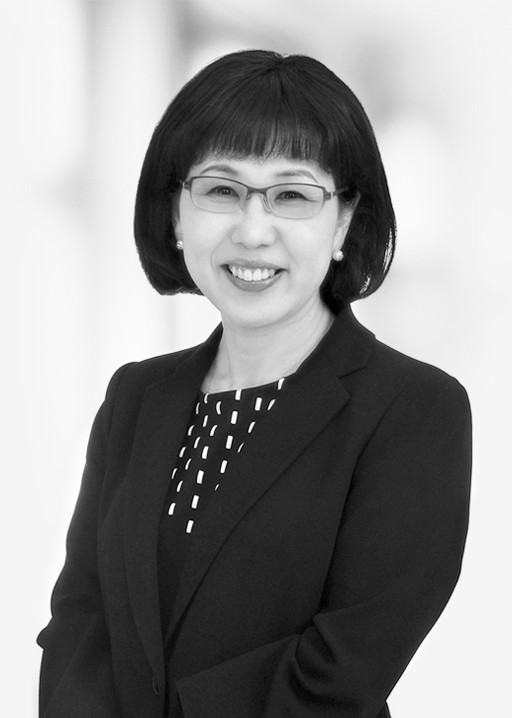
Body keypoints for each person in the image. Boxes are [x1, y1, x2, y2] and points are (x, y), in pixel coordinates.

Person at [37, 50, 472, 718]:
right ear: (176, 214)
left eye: (292, 195)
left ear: (344, 221)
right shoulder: (134, 397)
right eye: (221, 190)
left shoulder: (414, 411)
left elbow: (340, 675)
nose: (252, 230)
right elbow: (78, 623)